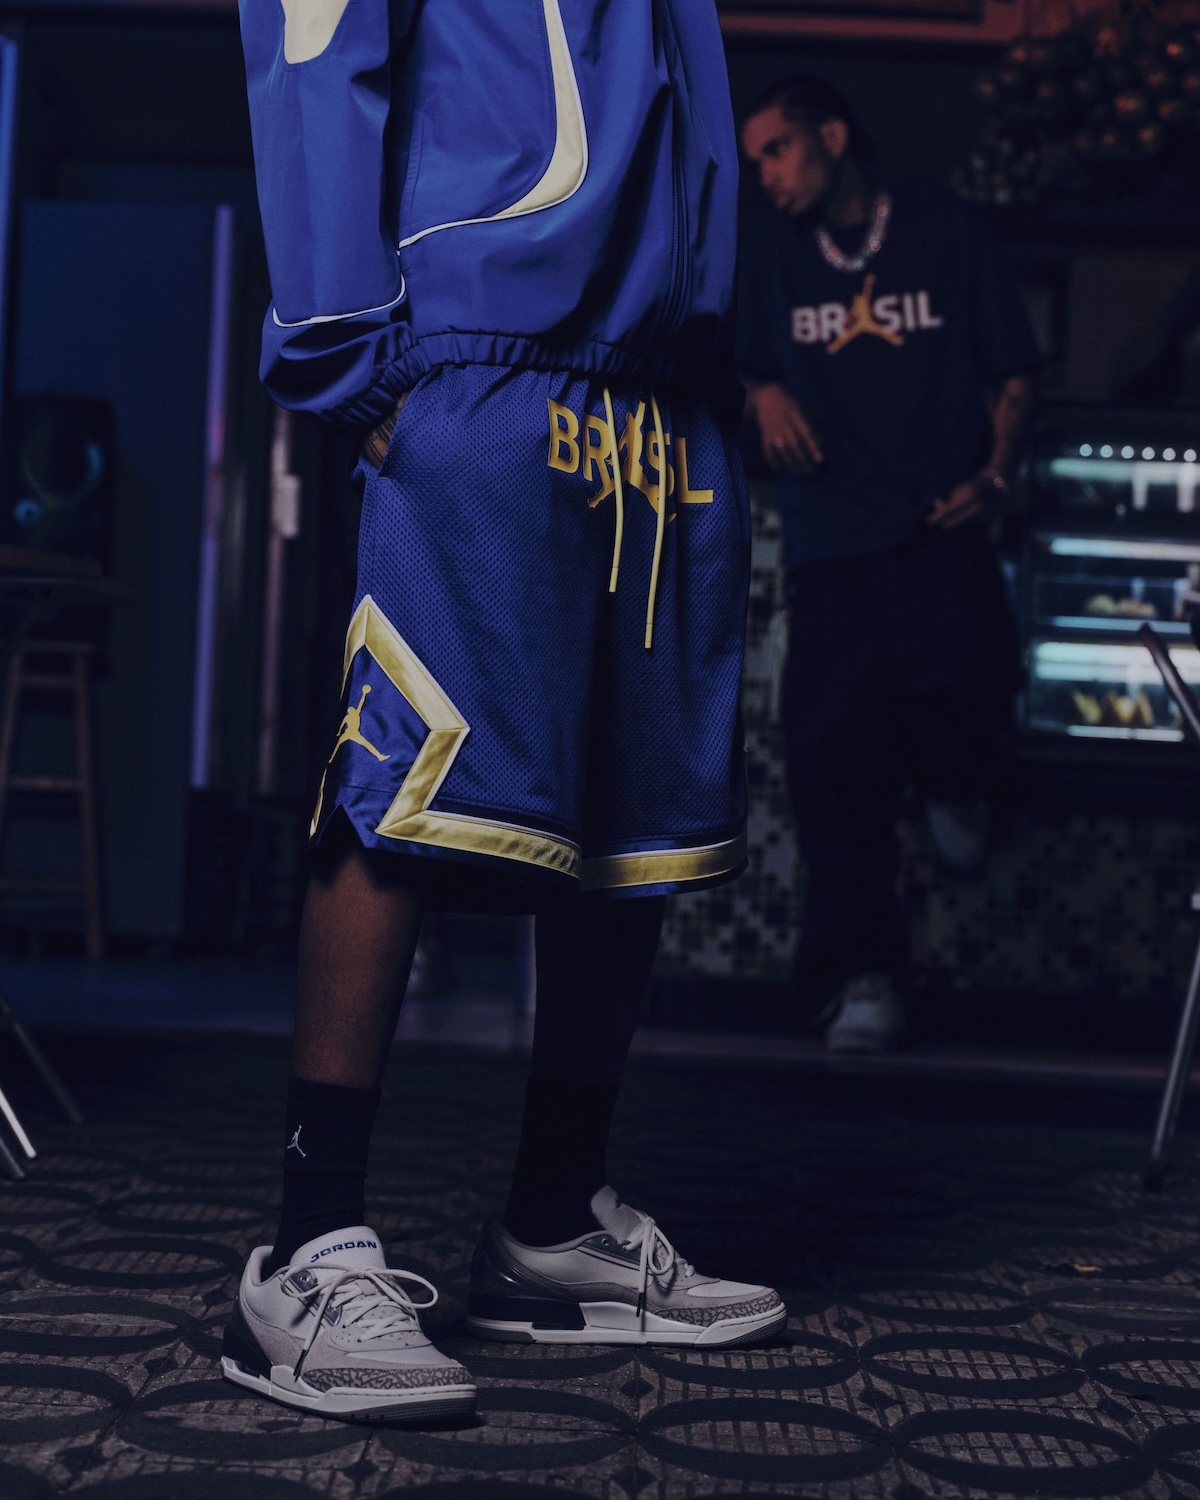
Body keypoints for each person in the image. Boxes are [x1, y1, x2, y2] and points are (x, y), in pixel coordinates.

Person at [222, 0, 785, 1423]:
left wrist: (715, 357)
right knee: (408, 769)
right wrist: (343, 342)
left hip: (662, 379)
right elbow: (314, 35)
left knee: (630, 811)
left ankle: (552, 1226)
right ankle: (306, 1249)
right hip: (483, 345)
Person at [738, 75, 1039, 1054]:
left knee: (972, 680)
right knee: (833, 763)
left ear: (832, 136)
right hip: (831, 540)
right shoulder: (772, 256)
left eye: (778, 149)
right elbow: (733, 363)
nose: (766, 174)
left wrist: (996, 476)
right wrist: (763, 390)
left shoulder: (945, 231)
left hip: (939, 522)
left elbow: (1014, 370)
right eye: (756, 160)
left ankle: (960, 784)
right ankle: (864, 981)